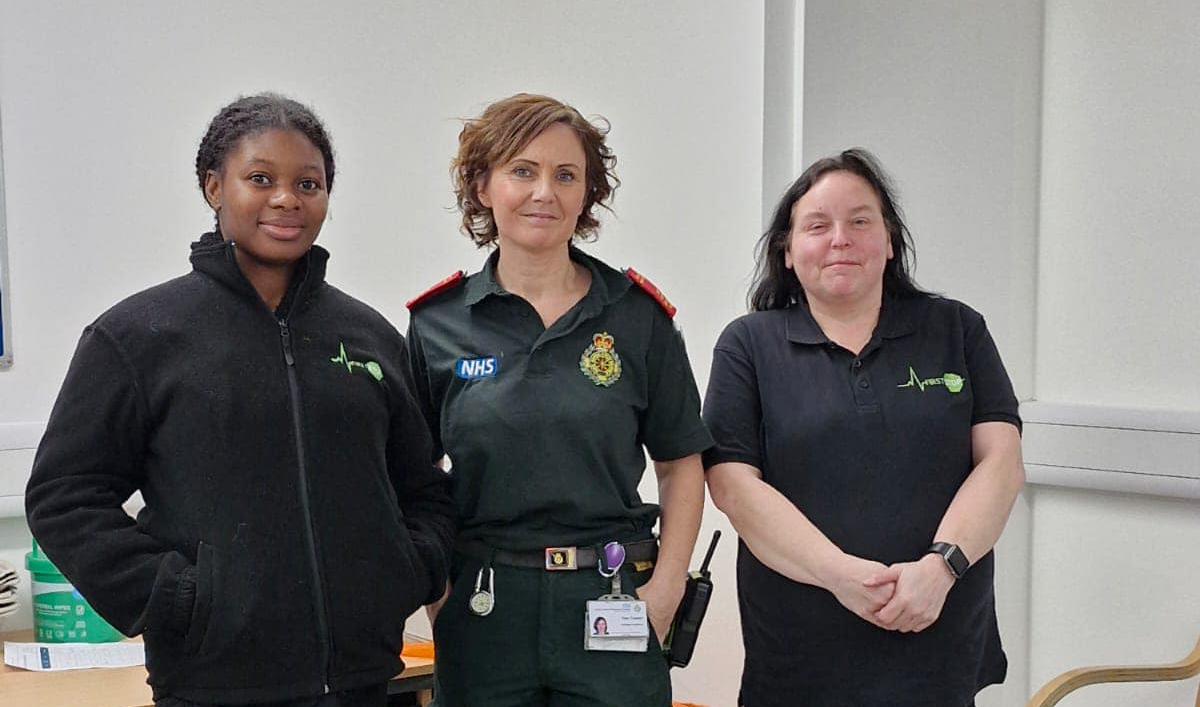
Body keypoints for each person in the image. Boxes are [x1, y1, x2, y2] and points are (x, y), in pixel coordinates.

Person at [25, 93, 455, 707]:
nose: (287, 199)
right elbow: (64, 495)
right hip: (211, 685)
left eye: (309, 183)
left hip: (366, 680)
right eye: (261, 178)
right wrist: (175, 598)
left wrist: (406, 571)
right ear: (213, 187)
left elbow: (424, 486)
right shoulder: (139, 335)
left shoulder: (367, 336)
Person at [405, 93, 712, 707]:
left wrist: (668, 587)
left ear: (586, 195)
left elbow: (680, 464)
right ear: (483, 186)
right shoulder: (436, 325)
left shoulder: (637, 317)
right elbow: (414, 477)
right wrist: (438, 592)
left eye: (565, 175)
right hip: (484, 603)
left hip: (611, 595)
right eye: (523, 170)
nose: (544, 191)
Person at [702, 148, 1025, 707]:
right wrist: (842, 576)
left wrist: (941, 568)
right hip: (799, 652)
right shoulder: (748, 345)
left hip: (936, 630)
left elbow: (1001, 462)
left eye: (860, 221)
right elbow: (733, 486)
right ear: (787, 248)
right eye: (817, 225)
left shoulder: (956, 329)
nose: (840, 239)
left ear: (890, 239)